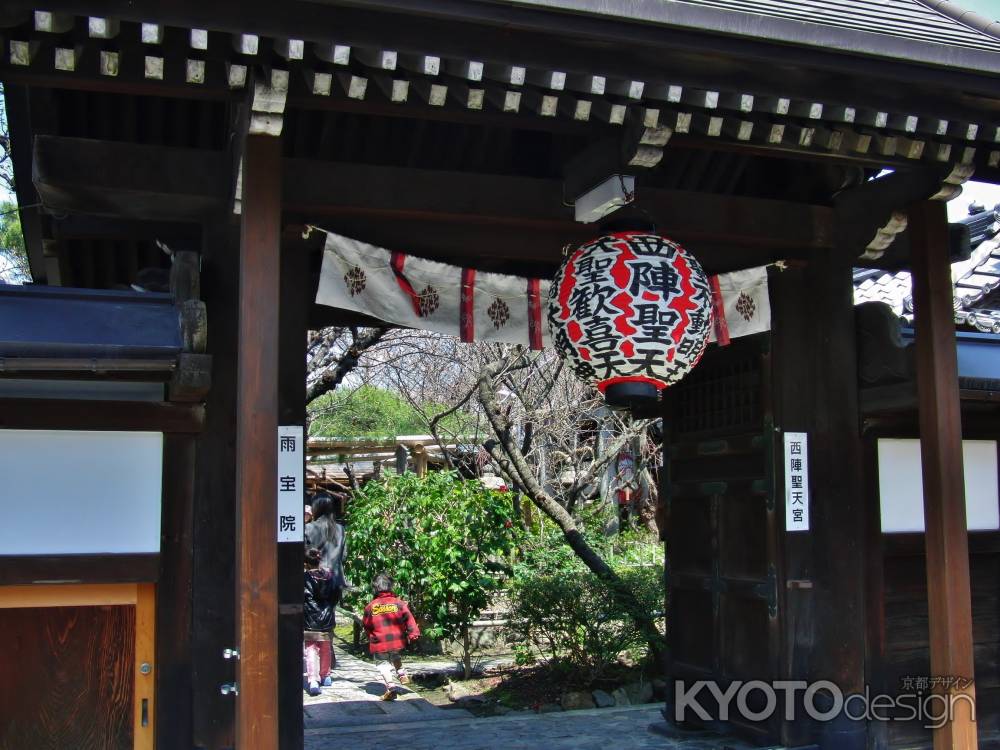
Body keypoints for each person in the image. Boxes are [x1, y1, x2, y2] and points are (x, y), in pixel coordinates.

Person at [362, 573, 420, 701]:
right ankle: (401, 673)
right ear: (391, 586)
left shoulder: (370, 606)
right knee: (395, 655)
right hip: (397, 640)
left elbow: (366, 624)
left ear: (375, 588)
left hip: (379, 641)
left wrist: (370, 636)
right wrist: (413, 633)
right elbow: (409, 618)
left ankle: (391, 687)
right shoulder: (399, 603)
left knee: (382, 664)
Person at [303, 547, 336, 697]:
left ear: (306, 563)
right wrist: (329, 608)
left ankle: (313, 680)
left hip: (310, 618)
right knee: (325, 647)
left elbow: (304, 597)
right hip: (327, 617)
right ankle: (326, 675)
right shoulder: (330, 576)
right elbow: (336, 595)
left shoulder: (305, 578)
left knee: (311, 649)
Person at [304, 493, 348, 600]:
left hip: (314, 580)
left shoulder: (308, 528)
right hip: (336, 581)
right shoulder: (340, 529)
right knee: (332, 610)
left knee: (313, 609)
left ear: (316, 508)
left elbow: (303, 555)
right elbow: (344, 556)